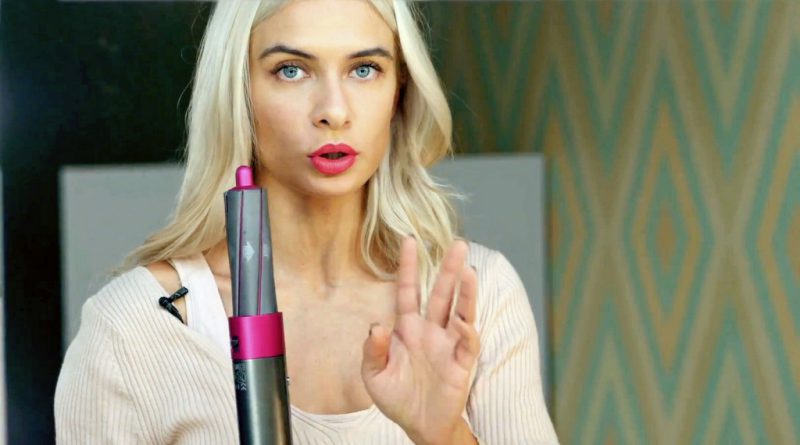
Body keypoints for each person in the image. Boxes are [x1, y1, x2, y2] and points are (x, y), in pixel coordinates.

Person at [54, 0, 559, 443]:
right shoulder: (133, 328)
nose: (334, 111)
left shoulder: (477, 299)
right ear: (238, 91)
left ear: (398, 91)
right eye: (291, 70)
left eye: (364, 69)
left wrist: (445, 437)